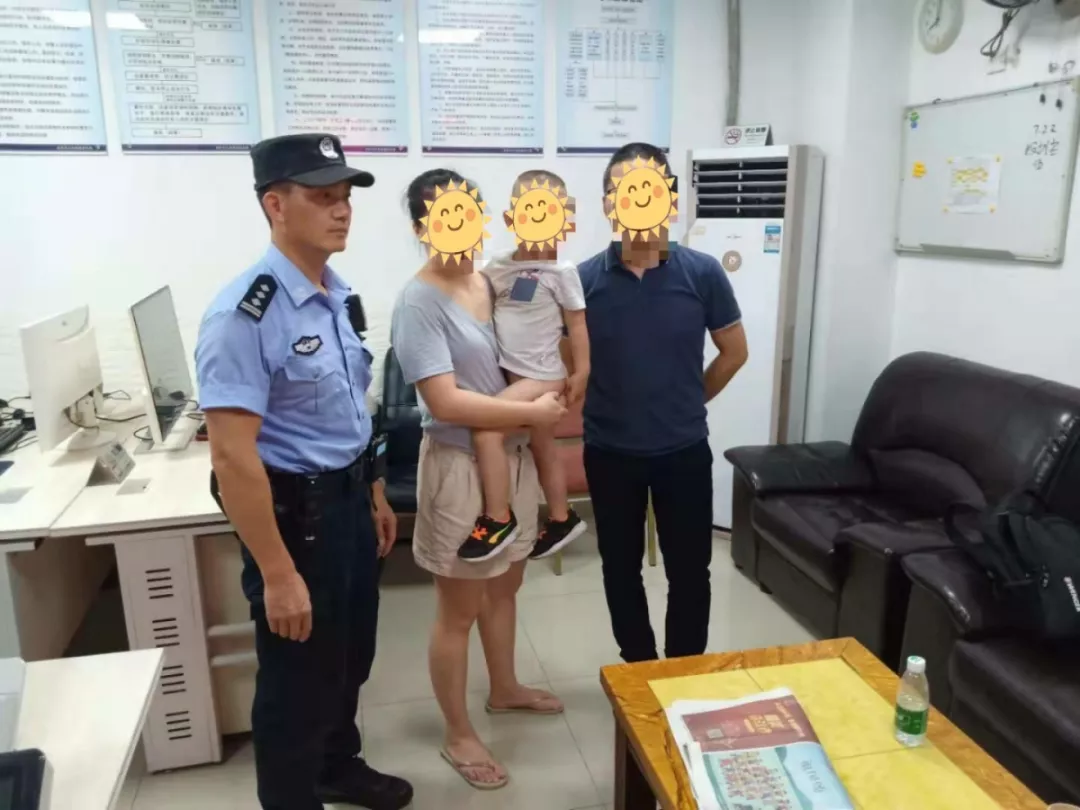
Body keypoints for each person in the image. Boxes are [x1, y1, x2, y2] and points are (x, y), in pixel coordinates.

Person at [195, 133, 413, 810]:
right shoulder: (243, 316)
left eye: (346, 197)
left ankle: (335, 766)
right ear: (275, 205)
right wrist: (278, 573)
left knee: (349, 657)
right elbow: (232, 458)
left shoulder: (336, 297)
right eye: (323, 198)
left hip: (350, 505)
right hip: (297, 521)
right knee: (297, 679)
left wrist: (374, 490)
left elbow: (349, 410)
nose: (342, 210)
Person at [390, 168, 567, 790]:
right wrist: (532, 412)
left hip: (513, 458)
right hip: (459, 468)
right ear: (423, 227)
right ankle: (457, 732)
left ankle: (506, 687)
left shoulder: (488, 278)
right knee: (458, 608)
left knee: (506, 585)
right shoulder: (417, 303)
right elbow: (444, 402)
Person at [579, 141, 749, 663]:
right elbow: (570, 366)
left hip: (683, 450)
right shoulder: (582, 282)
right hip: (609, 452)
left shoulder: (702, 273)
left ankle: (684, 672)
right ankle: (639, 669)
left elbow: (734, 352)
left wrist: (689, 398)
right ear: (608, 203)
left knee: (691, 571)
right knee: (619, 569)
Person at [458, 169, 590, 563]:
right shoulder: (497, 266)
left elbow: (578, 325)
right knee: (543, 445)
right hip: (514, 375)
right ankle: (562, 517)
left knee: (486, 432)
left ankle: (498, 518)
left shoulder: (563, 272)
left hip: (543, 378)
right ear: (511, 217)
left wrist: (582, 371)